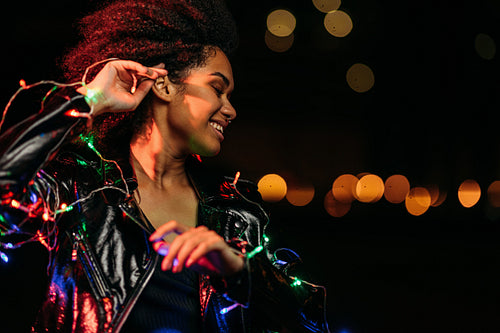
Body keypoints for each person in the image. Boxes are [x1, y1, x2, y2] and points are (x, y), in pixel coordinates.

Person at [0, 0, 330, 332]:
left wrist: (238, 271)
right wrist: (87, 100)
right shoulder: (79, 188)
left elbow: (308, 321)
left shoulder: (238, 218)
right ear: (164, 84)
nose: (230, 110)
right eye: (217, 89)